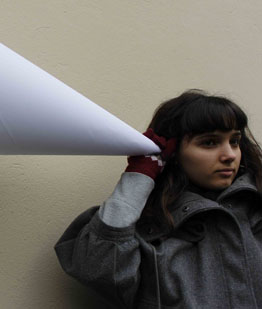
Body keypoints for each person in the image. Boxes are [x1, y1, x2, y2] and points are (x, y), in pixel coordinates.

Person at [54, 90, 262, 308]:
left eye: (235, 141)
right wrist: (139, 176)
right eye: (209, 143)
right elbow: (97, 270)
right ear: (173, 152)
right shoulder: (148, 226)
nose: (229, 154)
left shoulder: (254, 209)